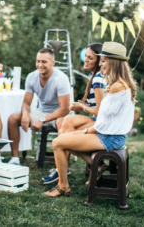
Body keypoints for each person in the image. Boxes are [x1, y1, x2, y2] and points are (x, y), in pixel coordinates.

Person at [44, 42, 137, 197]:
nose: (100, 64)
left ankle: (63, 186)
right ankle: (92, 167)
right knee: (63, 137)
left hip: (109, 138)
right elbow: (107, 119)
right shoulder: (118, 83)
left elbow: (103, 120)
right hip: (110, 134)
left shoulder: (117, 86)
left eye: (103, 60)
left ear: (113, 61)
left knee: (58, 142)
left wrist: (85, 131)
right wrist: (83, 132)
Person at [42, 43, 105, 184]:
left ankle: (63, 171)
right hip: (97, 119)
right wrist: (84, 105)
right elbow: (100, 104)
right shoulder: (93, 76)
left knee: (65, 132)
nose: (86, 60)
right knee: (68, 121)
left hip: (102, 122)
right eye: (85, 57)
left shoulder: (98, 79)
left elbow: (101, 111)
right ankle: (66, 169)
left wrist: (83, 108)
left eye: (90, 58)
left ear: (100, 61)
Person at [7, 48, 71, 165]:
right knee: (13, 119)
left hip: (59, 114)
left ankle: (62, 166)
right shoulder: (31, 77)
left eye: (44, 62)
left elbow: (65, 109)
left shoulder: (61, 79)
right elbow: (26, 103)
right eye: (38, 61)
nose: (40, 65)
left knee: (62, 123)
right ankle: (15, 159)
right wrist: (25, 113)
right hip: (42, 112)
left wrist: (42, 120)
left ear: (53, 63)